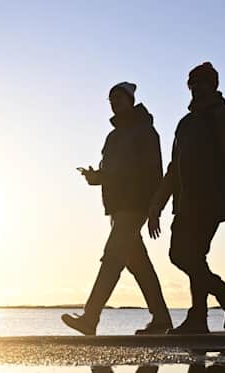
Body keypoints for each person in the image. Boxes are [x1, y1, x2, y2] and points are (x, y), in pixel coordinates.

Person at [62, 82, 172, 336]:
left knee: (112, 258)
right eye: (111, 100)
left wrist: (154, 207)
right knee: (138, 263)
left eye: (119, 99)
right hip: (117, 207)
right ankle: (162, 319)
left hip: (135, 205)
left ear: (130, 100)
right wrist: (96, 177)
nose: (114, 103)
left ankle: (90, 318)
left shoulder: (145, 131)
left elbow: (153, 170)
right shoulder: (114, 136)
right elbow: (115, 172)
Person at [149, 62, 225, 334]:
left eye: (202, 83)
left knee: (188, 255)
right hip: (184, 202)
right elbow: (173, 168)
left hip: (211, 201)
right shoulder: (186, 123)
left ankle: (200, 314)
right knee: (183, 256)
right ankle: (219, 298)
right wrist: (157, 204)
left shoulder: (224, 116)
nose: (196, 88)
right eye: (192, 84)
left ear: (213, 85)